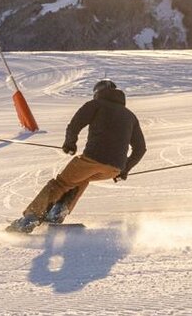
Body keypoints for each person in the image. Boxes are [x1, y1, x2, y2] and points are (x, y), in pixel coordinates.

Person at [7, 79, 146, 233]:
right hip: (114, 168)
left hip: (93, 158)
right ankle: (57, 212)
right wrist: (124, 170)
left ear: (97, 92)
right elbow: (140, 149)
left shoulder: (95, 105)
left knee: (60, 183)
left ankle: (30, 219)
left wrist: (70, 144)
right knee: (81, 179)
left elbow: (75, 124)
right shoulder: (130, 116)